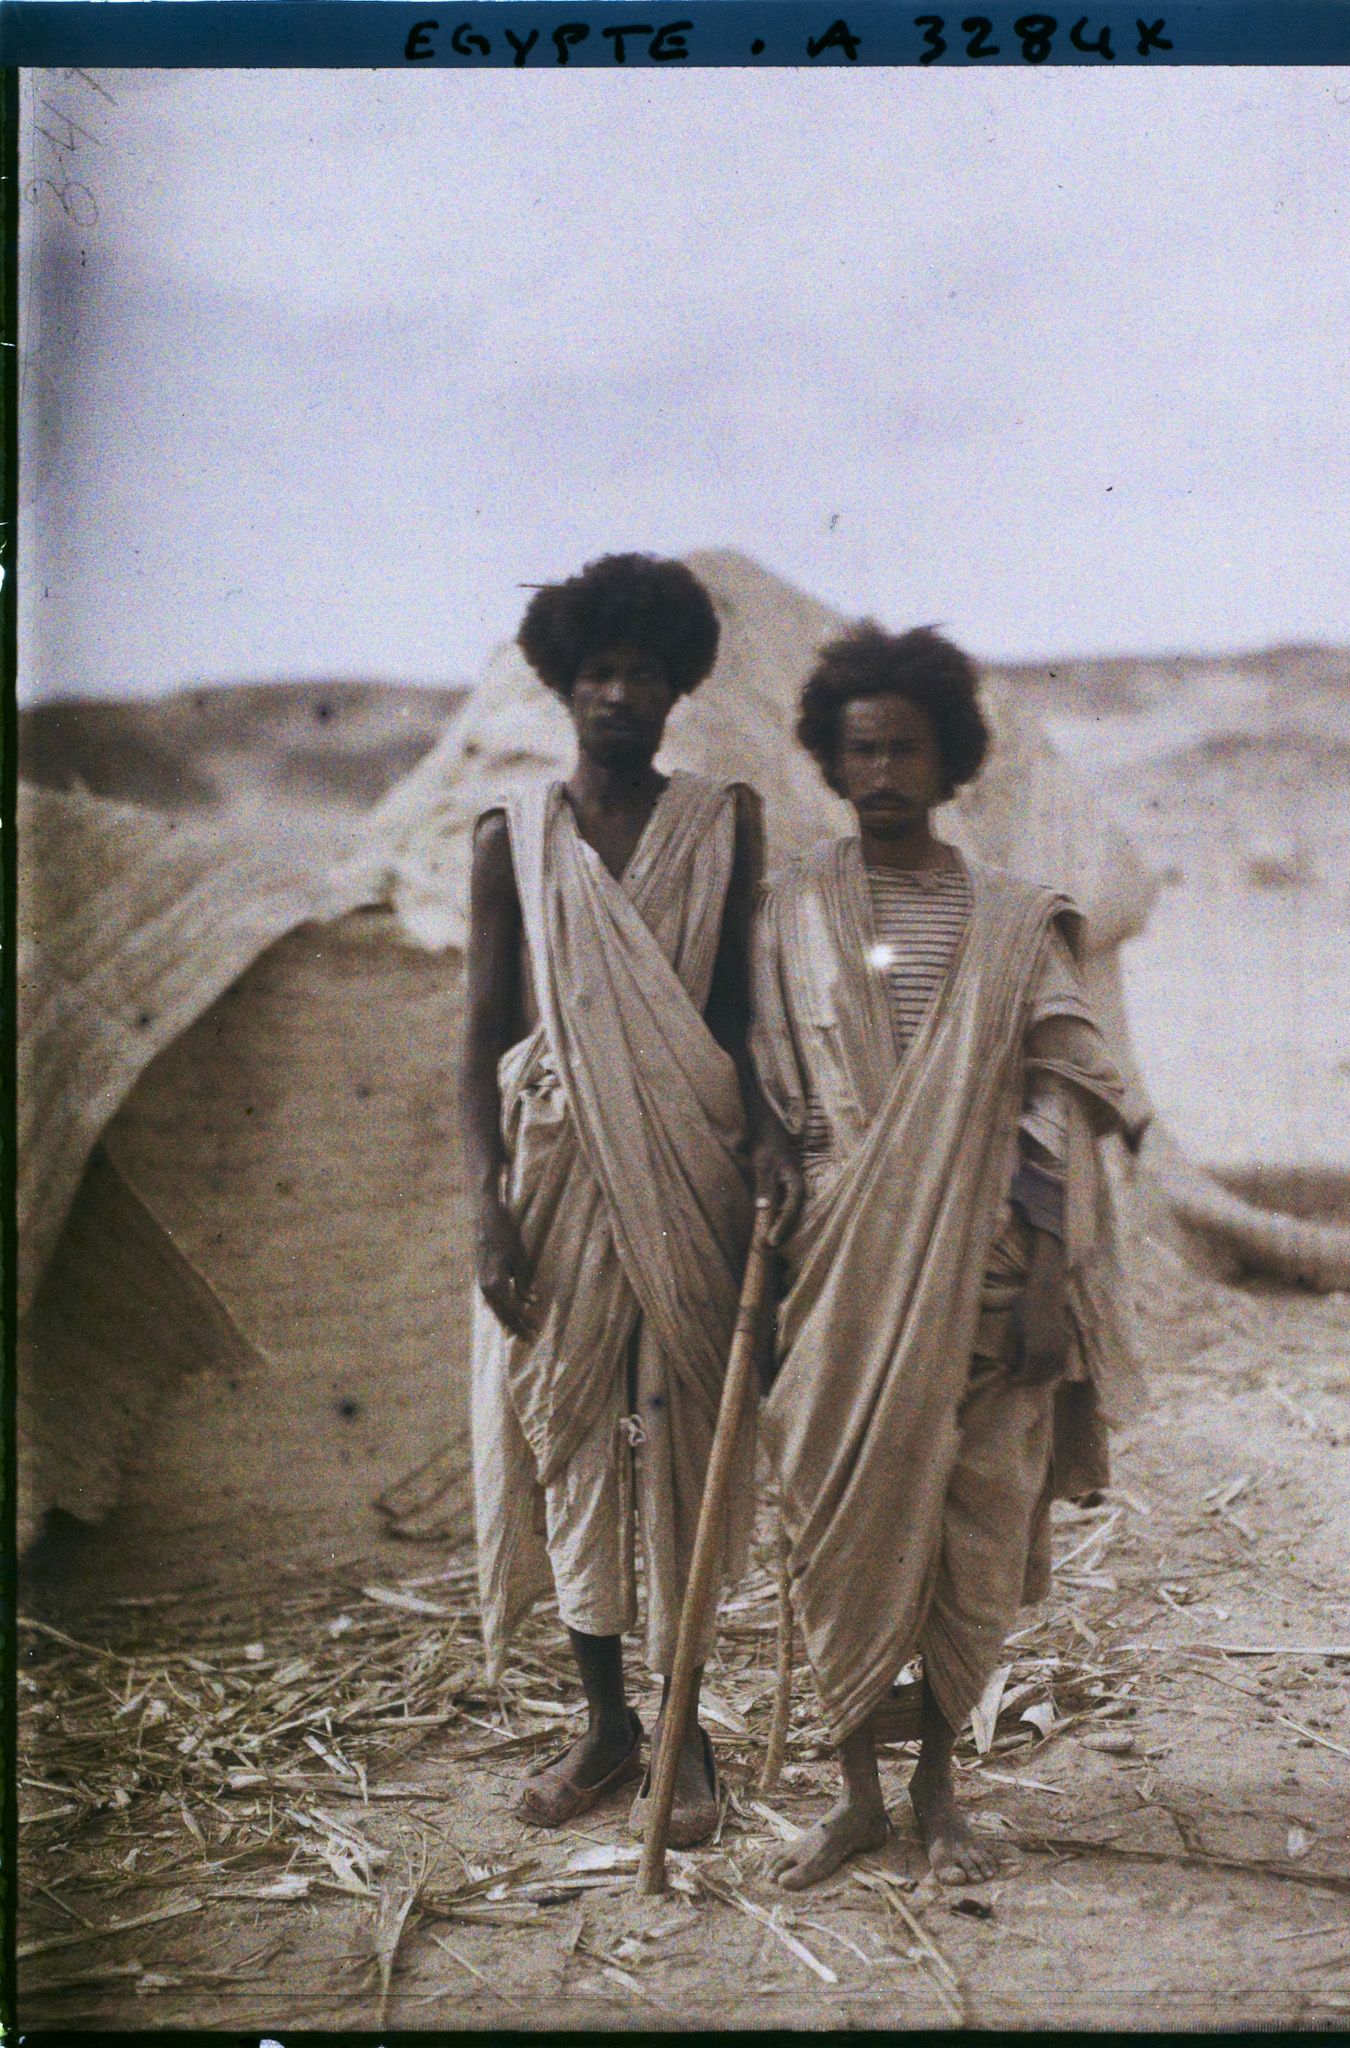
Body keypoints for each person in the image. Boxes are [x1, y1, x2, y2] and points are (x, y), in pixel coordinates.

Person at [749, 621, 1149, 1889]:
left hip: (987, 1263)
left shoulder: (1015, 918)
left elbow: (1056, 1100)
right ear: (829, 754)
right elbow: (767, 1082)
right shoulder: (787, 909)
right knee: (839, 1523)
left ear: (949, 755)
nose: (881, 770)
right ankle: (857, 1795)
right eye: (859, 747)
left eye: (905, 746)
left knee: (970, 1532)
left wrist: (1044, 1274)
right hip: (836, 1265)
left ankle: (939, 1792)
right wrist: (769, 1158)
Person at [462, 552, 781, 1847]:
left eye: (640, 670)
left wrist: (762, 1134)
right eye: (595, 669)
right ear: (561, 680)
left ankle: (687, 1732)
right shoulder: (512, 838)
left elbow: (737, 1014)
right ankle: (605, 1730)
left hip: (689, 1168)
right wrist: (484, 1205)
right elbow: (476, 1034)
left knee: (686, 1441)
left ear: (673, 685)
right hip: (550, 1183)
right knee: (567, 1436)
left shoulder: (723, 824)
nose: (616, 692)